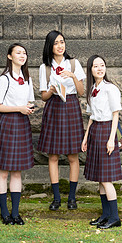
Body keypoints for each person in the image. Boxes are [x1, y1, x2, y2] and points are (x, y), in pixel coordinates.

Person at [37, 30, 86, 210]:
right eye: (56, 43)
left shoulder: (73, 64)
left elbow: (81, 92)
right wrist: (51, 90)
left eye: (62, 42)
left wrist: (73, 76)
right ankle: (56, 198)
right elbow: (43, 96)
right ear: (50, 46)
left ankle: (72, 198)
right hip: (54, 107)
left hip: (71, 106)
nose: (60, 46)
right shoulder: (45, 67)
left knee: (73, 155)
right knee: (53, 155)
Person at [0, 43, 35, 225]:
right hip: (6, 124)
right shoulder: (4, 80)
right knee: (3, 171)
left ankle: (16, 213)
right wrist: (19, 108)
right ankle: (5, 213)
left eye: (24, 53)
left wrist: (28, 108)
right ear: (9, 56)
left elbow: (29, 101)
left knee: (17, 172)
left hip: (22, 124)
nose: (22, 56)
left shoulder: (27, 79)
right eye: (18, 53)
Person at [81, 54, 122, 229]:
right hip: (95, 130)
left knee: (106, 179)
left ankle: (115, 217)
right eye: (96, 66)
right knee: (99, 178)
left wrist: (111, 139)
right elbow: (91, 117)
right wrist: (85, 138)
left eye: (102, 65)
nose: (100, 68)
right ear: (90, 69)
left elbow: (115, 114)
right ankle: (105, 215)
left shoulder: (110, 89)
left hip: (107, 130)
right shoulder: (92, 90)